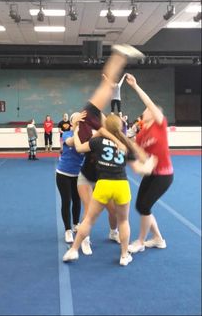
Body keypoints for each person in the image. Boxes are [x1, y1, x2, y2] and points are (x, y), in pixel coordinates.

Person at [75, 44, 147, 255]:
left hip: (101, 176)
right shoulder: (94, 130)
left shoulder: (103, 127)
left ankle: (114, 231)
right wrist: (74, 126)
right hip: (87, 174)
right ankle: (84, 240)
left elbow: (116, 135)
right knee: (107, 86)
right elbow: (76, 145)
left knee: (108, 86)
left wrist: (114, 137)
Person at [63, 114, 157, 266]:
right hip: (121, 185)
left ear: (105, 127)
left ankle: (73, 250)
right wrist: (150, 165)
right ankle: (124, 255)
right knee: (124, 221)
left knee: (88, 219)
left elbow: (79, 147)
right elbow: (139, 169)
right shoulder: (126, 144)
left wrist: (76, 130)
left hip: (103, 184)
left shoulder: (97, 141)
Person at [125, 73, 174, 254]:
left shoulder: (159, 124)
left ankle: (140, 241)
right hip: (152, 173)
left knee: (144, 206)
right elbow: (140, 156)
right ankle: (158, 239)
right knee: (141, 206)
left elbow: (148, 103)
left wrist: (135, 86)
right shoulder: (141, 134)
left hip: (164, 175)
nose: (144, 110)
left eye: (148, 109)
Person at [56, 113, 84, 244]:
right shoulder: (67, 134)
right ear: (71, 123)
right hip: (63, 174)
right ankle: (68, 230)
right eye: (76, 119)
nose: (79, 121)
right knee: (66, 201)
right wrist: (77, 127)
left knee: (77, 200)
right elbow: (71, 142)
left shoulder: (85, 135)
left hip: (78, 175)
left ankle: (76, 224)